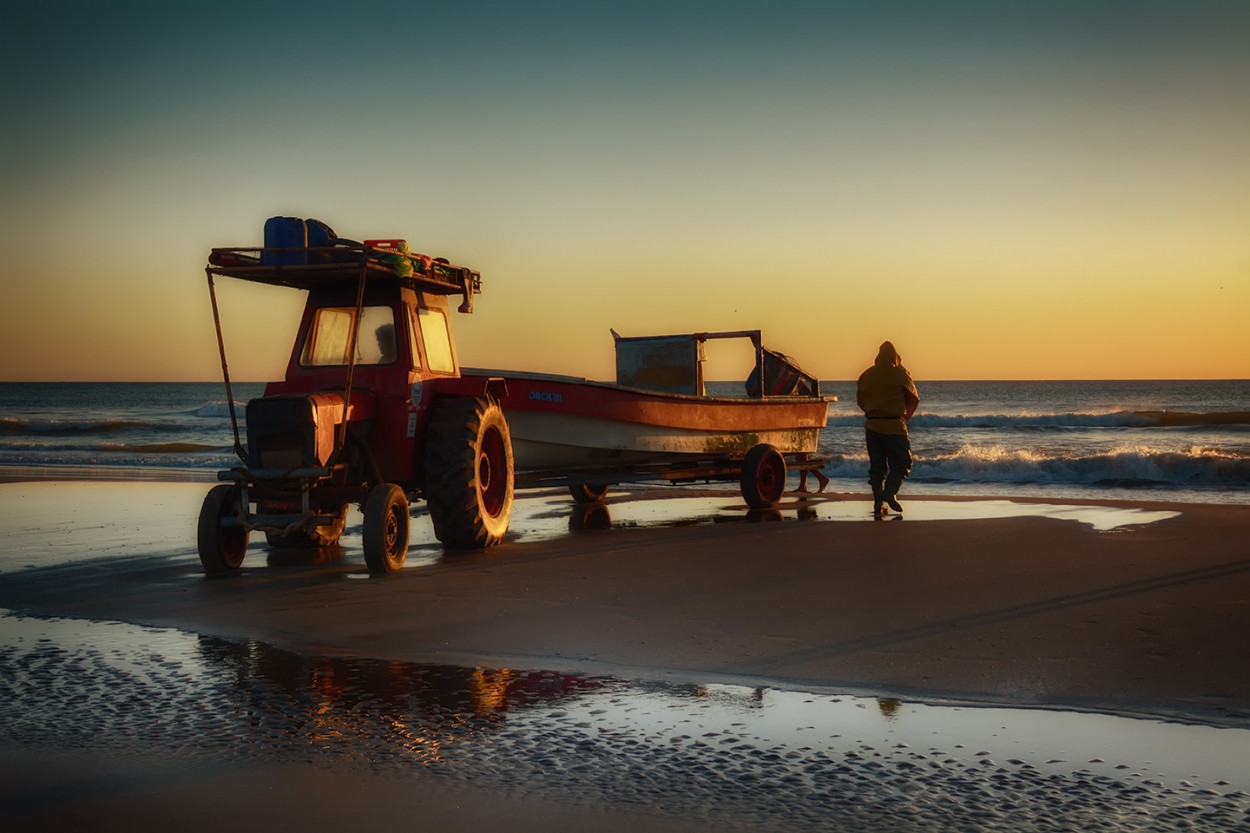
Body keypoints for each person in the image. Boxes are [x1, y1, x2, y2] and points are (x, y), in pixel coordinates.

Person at [856, 341, 920, 519]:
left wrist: (873, 412)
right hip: (894, 426)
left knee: (877, 468)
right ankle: (890, 492)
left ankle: (878, 501)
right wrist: (906, 417)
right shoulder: (900, 373)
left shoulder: (866, 375)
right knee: (902, 463)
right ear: (895, 357)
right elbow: (914, 399)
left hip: (872, 426)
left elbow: (861, 401)